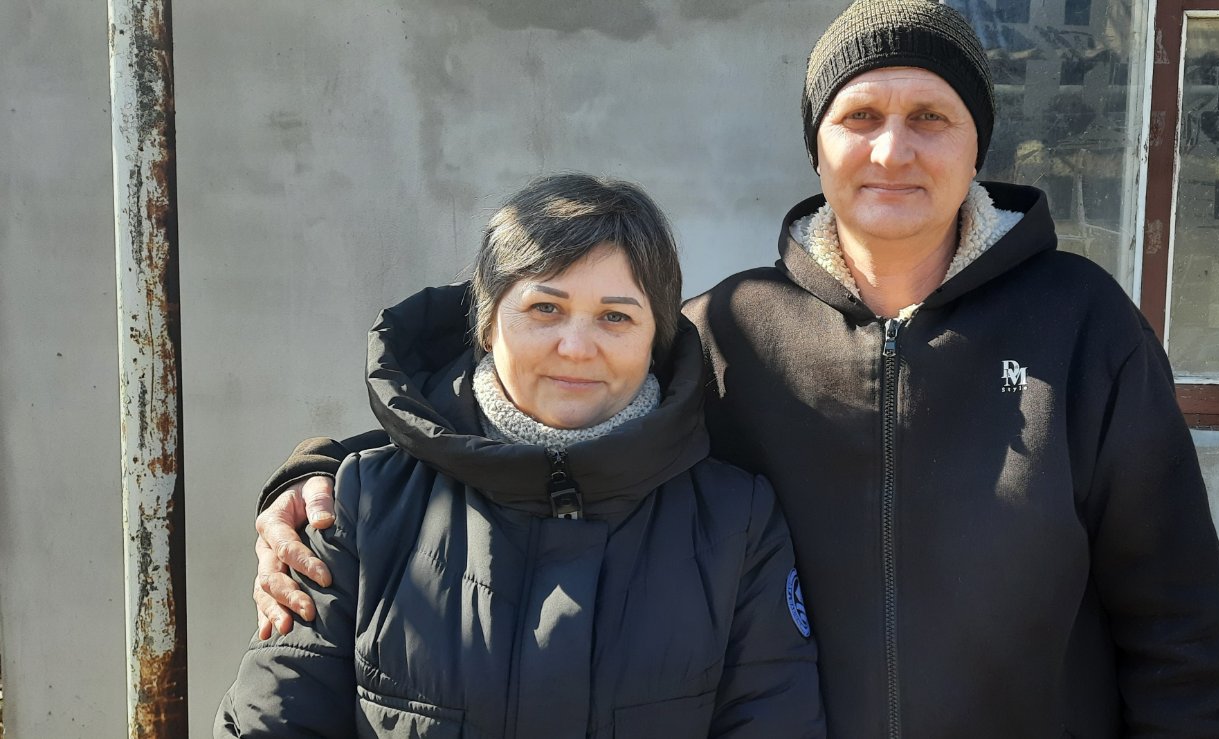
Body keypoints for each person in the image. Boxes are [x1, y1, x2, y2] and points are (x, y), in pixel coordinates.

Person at [251, 2, 1219, 736]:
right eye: (860, 116)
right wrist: (315, 479)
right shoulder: (731, 329)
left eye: (930, 117)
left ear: (977, 138)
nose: (892, 149)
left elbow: (1177, 627)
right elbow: (553, 425)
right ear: (817, 144)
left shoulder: (1083, 327)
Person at [216, 174, 824, 737]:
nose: (577, 346)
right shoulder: (356, 504)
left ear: (655, 338)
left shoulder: (735, 521)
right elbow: (275, 719)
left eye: (616, 316)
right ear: (486, 323)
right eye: (545, 309)